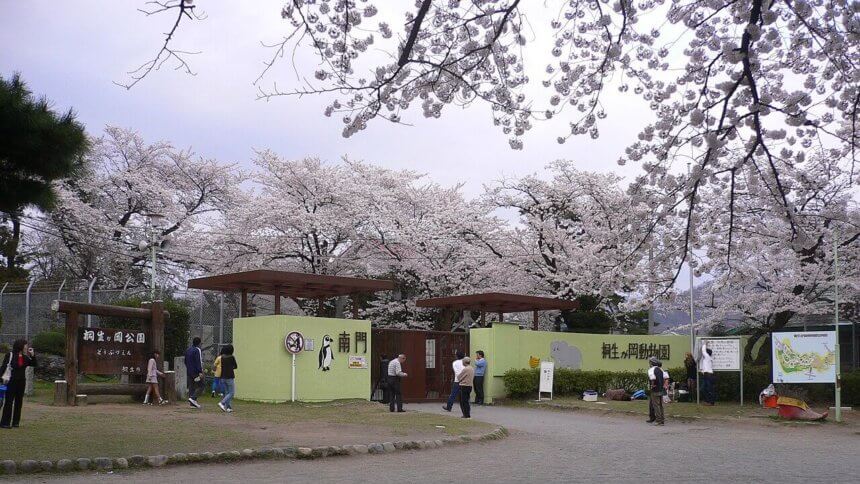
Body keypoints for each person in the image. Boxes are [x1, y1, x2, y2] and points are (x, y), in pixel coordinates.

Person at [0, 339, 37, 428]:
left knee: (19, 401)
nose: (27, 347)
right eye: (25, 345)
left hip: (21, 381)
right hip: (11, 381)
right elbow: (3, 367)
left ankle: (16, 422)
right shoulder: (10, 355)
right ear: (21, 346)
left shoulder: (25, 357)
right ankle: (5, 423)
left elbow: (34, 364)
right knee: (9, 401)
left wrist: (32, 355)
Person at [184, 337, 204, 408]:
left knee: (191, 386)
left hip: (189, 371)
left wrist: (188, 368)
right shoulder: (197, 350)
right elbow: (198, 361)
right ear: (199, 343)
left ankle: (192, 404)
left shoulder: (188, 350)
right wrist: (200, 371)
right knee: (201, 386)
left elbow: (185, 361)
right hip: (196, 372)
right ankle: (193, 398)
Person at [218, 345, 238, 413]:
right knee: (231, 392)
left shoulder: (222, 357)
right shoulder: (231, 357)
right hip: (229, 376)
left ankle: (228, 407)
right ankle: (222, 403)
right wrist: (231, 367)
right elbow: (235, 366)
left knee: (227, 392)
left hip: (223, 377)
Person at [646, 356, 665, 426]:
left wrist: (652, 385)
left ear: (651, 363)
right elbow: (665, 378)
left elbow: (652, 378)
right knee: (660, 405)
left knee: (656, 406)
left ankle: (659, 420)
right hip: (661, 389)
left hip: (655, 390)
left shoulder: (651, 370)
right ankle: (662, 420)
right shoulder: (660, 369)